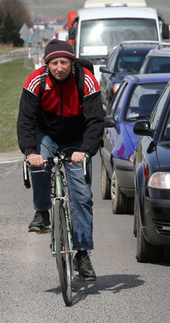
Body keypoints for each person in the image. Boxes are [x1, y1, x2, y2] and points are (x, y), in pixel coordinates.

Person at [17, 39, 105, 281]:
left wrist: (86, 151)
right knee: (39, 163)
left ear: (72, 62)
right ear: (47, 65)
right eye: (54, 63)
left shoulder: (86, 80)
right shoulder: (36, 81)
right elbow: (25, 120)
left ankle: (83, 254)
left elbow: (96, 121)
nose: (59, 67)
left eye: (64, 62)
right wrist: (29, 151)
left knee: (82, 196)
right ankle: (42, 213)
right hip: (46, 134)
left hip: (76, 139)